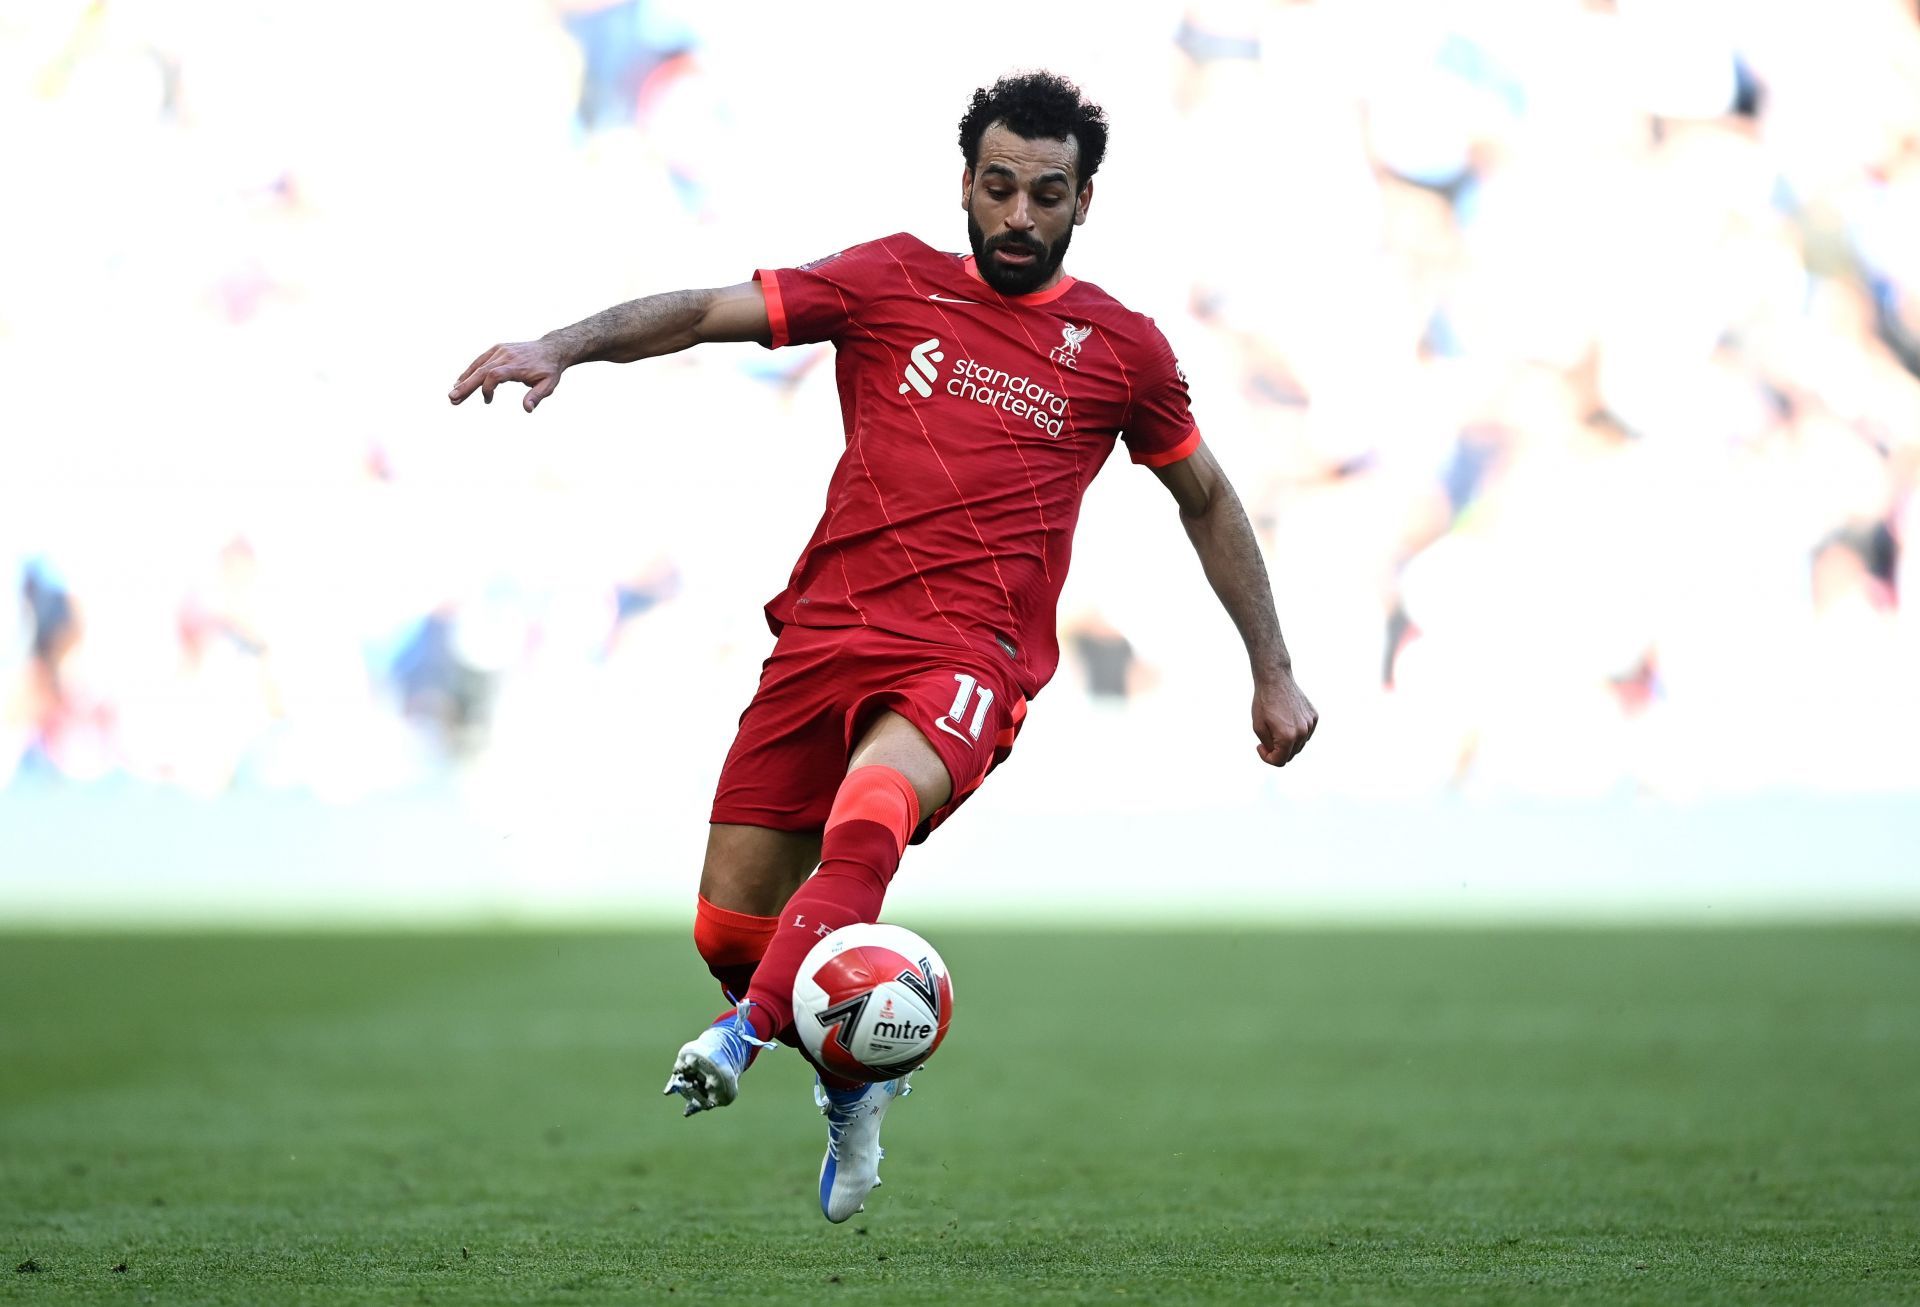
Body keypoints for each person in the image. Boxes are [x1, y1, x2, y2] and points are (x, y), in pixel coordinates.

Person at [448, 71, 1318, 1222]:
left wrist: (1272, 665)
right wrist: (557, 342)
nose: (1018, 214)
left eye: (1045, 193)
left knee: (871, 814)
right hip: (822, 638)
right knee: (727, 924)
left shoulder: (1123, 351)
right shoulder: (887, 280)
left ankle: (745, 1031)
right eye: (998, 186)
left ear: (1084, 202)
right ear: (966, 182)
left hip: (971, 657)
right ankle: (853, 1077)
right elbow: (711, 310)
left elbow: (1203, 496)